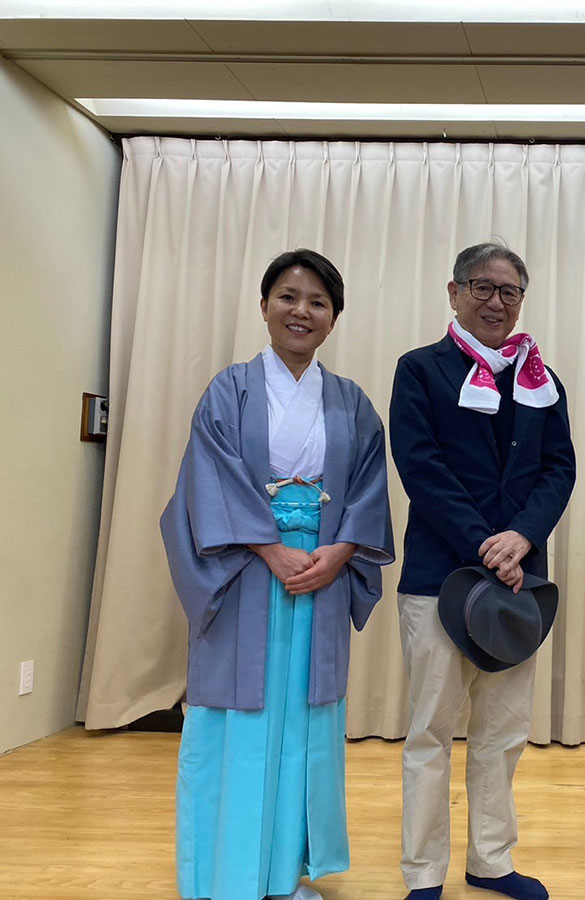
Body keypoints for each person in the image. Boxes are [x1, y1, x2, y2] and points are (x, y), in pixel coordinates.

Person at [161, 248, 395, 900]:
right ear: (263, 306)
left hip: (321, 574)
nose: (302, 311)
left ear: (334, 318)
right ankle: (224, 874)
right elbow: (207, 482)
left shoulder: (349, 402)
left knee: (302, 722)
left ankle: (284, 874)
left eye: (318, 302)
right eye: (289, 297)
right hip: (243, 572)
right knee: (239, 722)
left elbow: (369, 489)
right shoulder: (228, 391)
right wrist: (269, 548)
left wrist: (340, 553)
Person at [388, 242, 576, 900]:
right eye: (482, 287)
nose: (495, 301)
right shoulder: (420, 370)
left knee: (503, 732)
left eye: (509, 292)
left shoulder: (541, 379)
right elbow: (421, 468)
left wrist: (522, 537)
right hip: (440, 577)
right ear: (454, 292)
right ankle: (422, 874)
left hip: (519, 580)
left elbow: (561, 468)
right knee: (431, 731)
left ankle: (491, 861)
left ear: (521, 301)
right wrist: (487, 544)